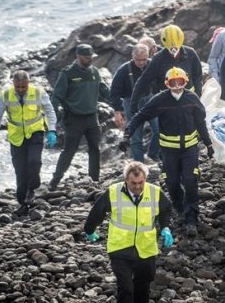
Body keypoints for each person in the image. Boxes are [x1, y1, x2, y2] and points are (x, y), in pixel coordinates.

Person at [120, 67, 213, 237]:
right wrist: (127, 135)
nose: (177, 86)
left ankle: (191, 218)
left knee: (191, 180)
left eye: (180, 82)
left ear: (185, 82)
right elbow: (140, 116)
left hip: (189, 149)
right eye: (173, 83)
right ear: (167, 84)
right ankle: (180, 209)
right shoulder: (159, 100)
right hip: (169, 151)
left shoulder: (192, 99)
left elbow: (201, 123)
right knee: (172, 182)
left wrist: (209, 144)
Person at [84, 161, 173, 303]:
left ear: (145, 179)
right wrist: (89, 230)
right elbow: (97, 211)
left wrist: (165, 227)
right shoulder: (113, 192)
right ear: (126, 180)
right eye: (133, 183)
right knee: (126, 289)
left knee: (142, 288)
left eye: (141, 182)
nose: (138, 186)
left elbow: (165, 210)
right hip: (120, 249)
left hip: (146, 249)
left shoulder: (155, 192)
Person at [0, 71, 58, 214]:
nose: (20, 90)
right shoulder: (6, 95)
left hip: (35, 133)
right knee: (20, 171)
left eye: (23, 87)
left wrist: (52, 130)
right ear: (13, 83)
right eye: (18, 87)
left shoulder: (39, 93)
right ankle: (23, 201)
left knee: (34, 161)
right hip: (16, 137)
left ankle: (33, 186)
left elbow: (50, 112)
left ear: (29, 83)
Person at [49, 44, 111, 191]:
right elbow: (56, 97)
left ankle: (94, 180)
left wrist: (118, 104)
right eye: (86, 57)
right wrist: (53, 119)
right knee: (69, 150)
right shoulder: (67, 73)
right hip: (73, 119)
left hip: (92, 117)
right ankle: (55, 180)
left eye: (91, 57)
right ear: (78, 57)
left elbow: (105, 91)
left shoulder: (95, 72)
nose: (89, 59)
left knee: (95, 149)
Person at [129, 25, 203, 116]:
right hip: (167, 103)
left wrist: (197, 97)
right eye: (171, 48)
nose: (174, 50)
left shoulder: (191, 54)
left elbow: (198, 77)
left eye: (176, 47)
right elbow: (144, 80)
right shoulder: (158, 59)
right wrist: (133, 106)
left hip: (188, 100)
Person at [110, 43, 160, 162]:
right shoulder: (123, 70)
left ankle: (152, 154)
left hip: (150, 100)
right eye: (138, 60)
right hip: (130, 103)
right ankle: (139, 163)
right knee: (136, 137)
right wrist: (117, 111)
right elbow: (114, 91)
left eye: (144, 59)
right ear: (132, 56)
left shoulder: (152, 65)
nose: (141, 62)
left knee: (160, 129)